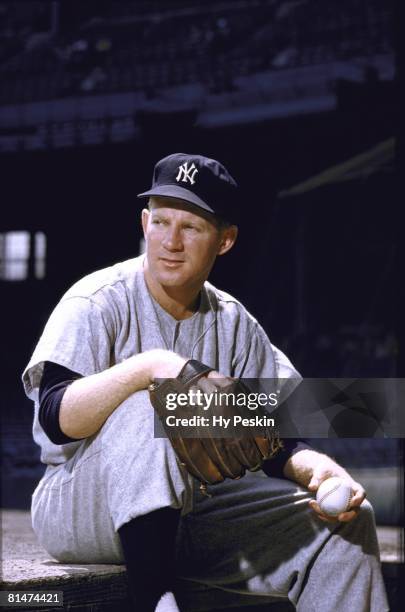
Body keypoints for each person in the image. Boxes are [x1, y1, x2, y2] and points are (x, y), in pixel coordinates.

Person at [22, 153, 388, 612]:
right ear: (144, 222)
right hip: (81, 507)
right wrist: (150, 366)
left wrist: (316, 468)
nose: (170, 241)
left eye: (191, 227)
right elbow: (55, 417)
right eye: (160, 222)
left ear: (225, 240)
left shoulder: (234, 323)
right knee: (149, 407)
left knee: (347, 527)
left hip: (194, 510)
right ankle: (157, 602)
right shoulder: (96, 301)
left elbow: (275, 437)